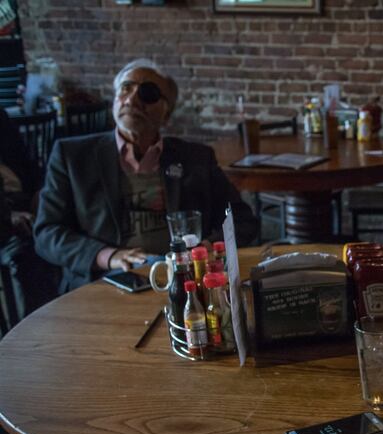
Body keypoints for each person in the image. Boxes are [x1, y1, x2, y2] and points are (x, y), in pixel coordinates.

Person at [34, 59, 258, 293]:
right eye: (125, 89)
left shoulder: (196, 158)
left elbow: (241, 220)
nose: (131, 100)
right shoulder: (72, 157)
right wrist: (108, 256)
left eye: (147, 94)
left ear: (166, 113)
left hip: (186, 281)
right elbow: (47, 233)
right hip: (105, 282)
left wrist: (209, 247)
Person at [0, 107, 59, 320]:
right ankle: (35, 327)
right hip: (6, 216)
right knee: (27, 252)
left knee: (57, 231)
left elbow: (27, 160)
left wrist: (39, 191)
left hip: (21, 197)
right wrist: (10, 214)